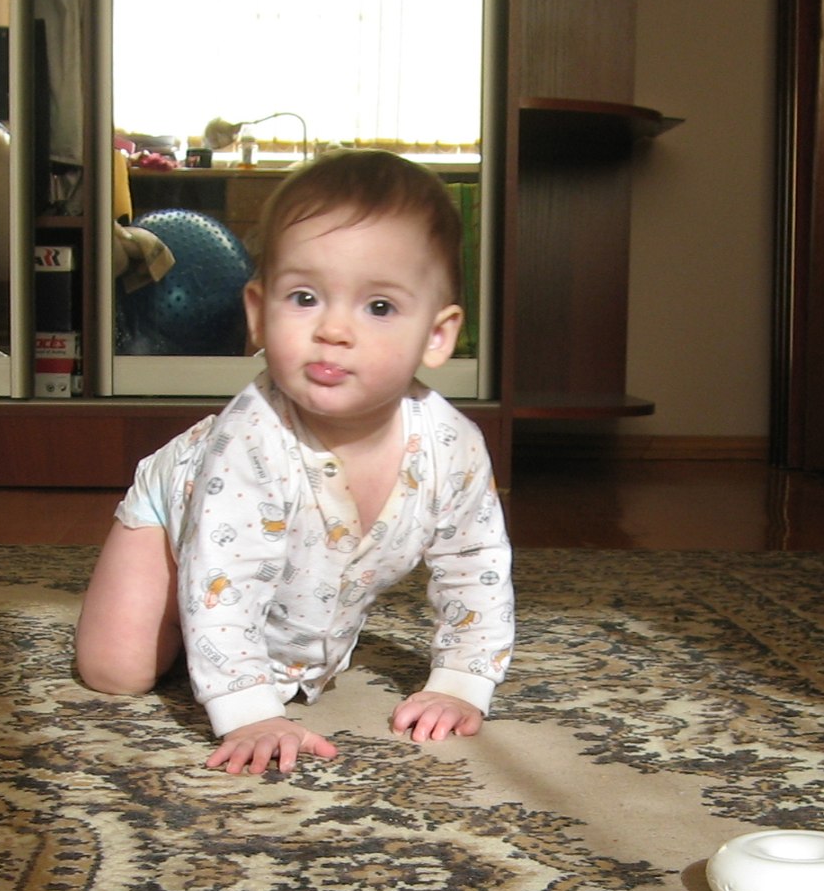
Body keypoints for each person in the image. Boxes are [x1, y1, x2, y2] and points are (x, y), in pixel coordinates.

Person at [74, 150, 514, 774]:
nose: (333, 330)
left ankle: (219, 640)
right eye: (305, 297)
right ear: (258, 312)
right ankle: (172, 595)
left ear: (437, 336)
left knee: (290, 654)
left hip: (296, 570)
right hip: (182, 511)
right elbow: (227, 575)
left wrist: (462, 682)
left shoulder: (453, 447)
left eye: (379, 307)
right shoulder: (251, 440)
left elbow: (476, 566)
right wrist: (249, 711)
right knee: (117, 669)